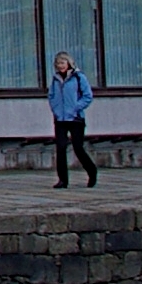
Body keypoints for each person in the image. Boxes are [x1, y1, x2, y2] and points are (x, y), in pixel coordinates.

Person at [48, 52, 98, 189]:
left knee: (78, 147)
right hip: (61, 118)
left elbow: (87, 96)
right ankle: (62, 180)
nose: (60, 66)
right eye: (58, 64)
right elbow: (51, 96)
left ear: (69, 63)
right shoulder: (55, 79)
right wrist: (56, 110)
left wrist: (76, 107)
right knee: (61, 148)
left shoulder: (78, 77)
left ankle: (92, 172)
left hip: (75, 118)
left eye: (62, 63)